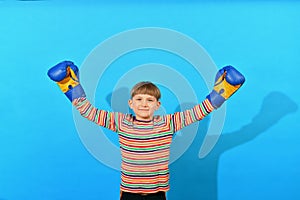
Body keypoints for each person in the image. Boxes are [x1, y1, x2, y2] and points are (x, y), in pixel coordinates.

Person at [48, 61, 245, 200]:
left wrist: (221, 93)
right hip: (129, 193)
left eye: (149, 100)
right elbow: (89, 112)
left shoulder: (168, 123)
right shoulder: (121, 121)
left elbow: (198, 112)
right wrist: (69, 85)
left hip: (157, 193)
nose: (144, 104)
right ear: (130, 103)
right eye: (139, 100)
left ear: (157, 105)